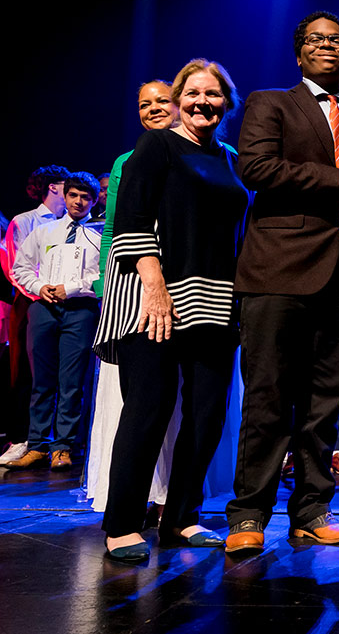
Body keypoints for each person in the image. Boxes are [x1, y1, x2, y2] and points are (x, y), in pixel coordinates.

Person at [226, 11, 339, 554]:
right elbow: (256, 170)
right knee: (269, 397)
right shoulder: (269, 103)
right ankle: (248, 515)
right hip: (277, 271)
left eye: (337, 39)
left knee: (325, 405)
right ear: (299, 54)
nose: (327, 46)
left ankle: (312, 510)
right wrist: (334, 177)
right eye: (315, 39)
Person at [93, 59, 249, 562]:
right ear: (179, 98)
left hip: (216, 304)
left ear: (227, 102)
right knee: (148, 411)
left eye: (214, 95)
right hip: (154, 301)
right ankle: (121, 523)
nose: (203, 102)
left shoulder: (229, 157)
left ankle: (181, 517)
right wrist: (155, 286)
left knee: (206, 417)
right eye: (193, 93)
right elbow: (130, 218)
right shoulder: (156, 145)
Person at [85, 80, 180, 517]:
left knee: (183, 405)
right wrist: (109, 291)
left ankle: (173, 501)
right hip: (136, 291)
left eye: (163, 100)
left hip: (199, 293)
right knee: (141, 403)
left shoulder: (219, 154)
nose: (154, 109)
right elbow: (113, 230)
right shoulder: (129, 159)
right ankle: (135, 500)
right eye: (145, 104)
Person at [8, 172, 103, 471]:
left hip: (80, 310)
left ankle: (64, 447)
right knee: (41, 381)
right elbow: (20, 268)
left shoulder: (99, 236)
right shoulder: (44, 232)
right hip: (44, 308)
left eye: (85, 197)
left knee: (72, 382)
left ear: (93, 200)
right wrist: (39, 287)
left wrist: (72, 288)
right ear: (65, 196)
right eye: (73, 195)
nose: (79, 201)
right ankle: (37, 445)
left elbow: (105, 276)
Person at [0, 165, 70, 468]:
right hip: (31, 303)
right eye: (65, 186)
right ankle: (24, 438)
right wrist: (42, 291)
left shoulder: (71, 222)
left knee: (64, 375)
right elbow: (15, 266)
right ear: (53, 188)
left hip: (67, 302)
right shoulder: (25, 221)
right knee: (27, 373)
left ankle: (58, 441)